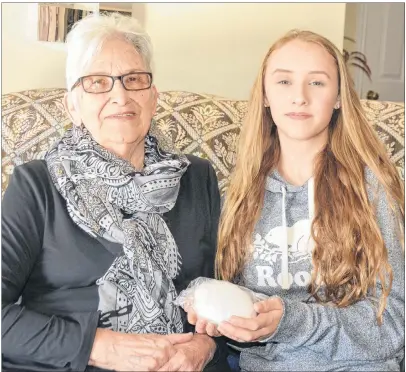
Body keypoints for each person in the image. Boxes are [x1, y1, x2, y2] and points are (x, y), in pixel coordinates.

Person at [2, 13, 230, 372]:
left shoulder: (197, 177)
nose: (120, 96)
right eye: (97, 82)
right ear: (72, 106)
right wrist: (93, 345)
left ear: (153, 99)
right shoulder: (36, 186)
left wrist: (204, 344)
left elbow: (227, 289)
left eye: (134, 79)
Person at [186, 29, 405, 371]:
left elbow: (393, 325)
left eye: (316, 82)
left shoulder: (372, 190)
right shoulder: (238, 198)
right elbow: (234, 319)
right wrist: (221, 322)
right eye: (284, 82)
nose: (299, 97)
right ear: (265, 95)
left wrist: (292, 320)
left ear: (337, 97)